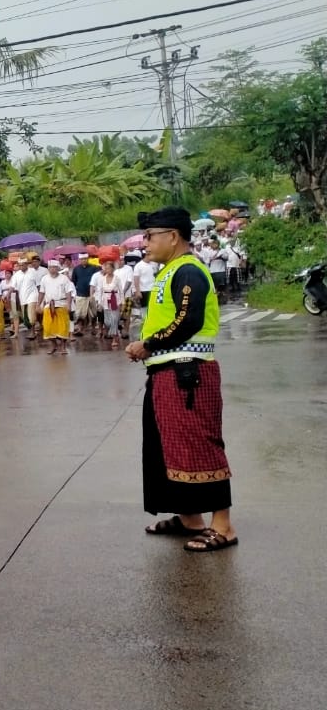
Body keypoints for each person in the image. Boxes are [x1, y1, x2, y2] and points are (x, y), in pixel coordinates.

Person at [126, 207, 236, 552]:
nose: (145, 243)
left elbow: (188, 321)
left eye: (150, 236)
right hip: (166, 372)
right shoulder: (170, 271)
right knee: (165, 446)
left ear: (172, 236)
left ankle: (223, 525)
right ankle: (189, 517)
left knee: (200, 443)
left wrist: (149, 344)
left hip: (188, 372)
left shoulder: (189, 271)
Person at [38, 260, 75, 355]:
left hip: (61, 304)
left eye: (54, 267)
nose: (51, 269)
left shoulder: (64, 278)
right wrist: (38, 304)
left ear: (58, 268)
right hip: (49, 305)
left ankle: (63, 346)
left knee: (62, 328)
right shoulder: (44, 279)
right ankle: (54, 345)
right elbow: (42, 292)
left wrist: (69, 304)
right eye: (50, 267)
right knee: (48, 327)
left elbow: (68, 292)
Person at [89, 256, 127, 348]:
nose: (107, 270)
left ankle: (114, 338)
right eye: (106, 268)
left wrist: (122, 302)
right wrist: (99, 303)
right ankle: (116, 333)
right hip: (105, 300)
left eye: (109, 268)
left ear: (113, 269)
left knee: (114, 319)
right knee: (107, 321)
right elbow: (100, 291)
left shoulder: (117, 278)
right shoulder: (102, 279)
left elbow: (121, 291)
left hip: (115, 299)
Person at [71, 253, 100, 336]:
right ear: (80, 260)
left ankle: (93, 328)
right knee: (80, 314)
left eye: (85, 259)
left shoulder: (94, 268)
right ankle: (80, 328)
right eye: (82, 259)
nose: (84, 260)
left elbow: (97, 280)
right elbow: (74, 281)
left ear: (88, 259)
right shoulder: (76, 269)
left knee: (94, 313)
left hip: (92, 293)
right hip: (80, 293)